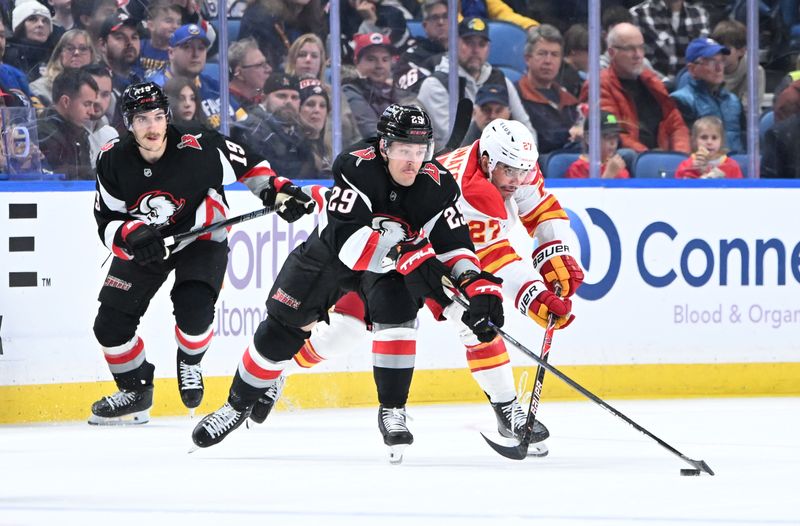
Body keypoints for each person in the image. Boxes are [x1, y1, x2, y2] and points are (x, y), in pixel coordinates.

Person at [244, 118, 581, 458]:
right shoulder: (467, 192)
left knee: (477, 326)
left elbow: (538, 207)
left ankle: (507, 411)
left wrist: (555, 253)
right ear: (489, 161)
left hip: (431, 251)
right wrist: (531, 294)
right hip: (405, 252)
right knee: (346, 330)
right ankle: (276, 370)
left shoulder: (515, 168)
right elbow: (487, 257)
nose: (518, 180)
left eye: (523, 171)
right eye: (510, 171)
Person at [191, 105, 509, 461]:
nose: (413, 161)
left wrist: (476, 287)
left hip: (391, 268)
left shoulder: (436, 184)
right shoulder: (355, 166)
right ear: (385, 147)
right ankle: (236, 406)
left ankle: (392, 409)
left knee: (398, 321)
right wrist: (411, 256)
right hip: (329, 257)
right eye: (404, 150)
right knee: (280, 331)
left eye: (420, 152)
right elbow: (350, 249)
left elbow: (456, 246)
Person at [88, 81, 314, 425]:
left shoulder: (199, 146)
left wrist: (278, 193)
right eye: (142, 119)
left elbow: (250, 166)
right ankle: (135, 390)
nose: (152, 126)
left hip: (201, 236)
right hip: (147, 244)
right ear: (129, 123)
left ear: (167, 117)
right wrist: (131, 234)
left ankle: (190, 362)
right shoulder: (112, 159)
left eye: (158, 116)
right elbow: (106, 219)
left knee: (195, 312)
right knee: (109, 325)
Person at [417, 17, 534, 150]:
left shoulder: (502, 81)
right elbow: (450, 144)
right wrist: (478, 123)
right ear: (454, 44)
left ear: (488, 48)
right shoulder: (435, 85)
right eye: (469, 43)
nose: (475, 50)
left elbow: (527, 130)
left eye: (481, 44)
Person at [581, 23, 689, 155]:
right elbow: (613, 135)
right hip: (629, 164)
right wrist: (650, 158)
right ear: (611, 53)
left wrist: (679, 157)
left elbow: (676, 125)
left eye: (641, 47)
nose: (638, 55)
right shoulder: (598, 85)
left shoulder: (652, 80)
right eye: (630, 49)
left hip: (663, 159)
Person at [147, 23, 246, 130]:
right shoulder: (155, 91)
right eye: (187, 47)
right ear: (171, 53)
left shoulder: (214, 86)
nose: (195, 54)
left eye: (201, 48)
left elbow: (244, 121)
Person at [231, 72, 317, 178]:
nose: (288, 102)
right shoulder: (249, 129)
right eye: (281, 96)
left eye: (294, 97)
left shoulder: (301, 133)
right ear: (263, 98)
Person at [517, 24, 582, 156]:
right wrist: (568, 134)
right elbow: (533, 138)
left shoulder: (568, 98)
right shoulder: (516, 95)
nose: (548, 61)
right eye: (542, 54)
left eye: (554, 55)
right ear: (527, 58)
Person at [670, 37, 744, 153]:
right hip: (703, 167)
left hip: (738, 167)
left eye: (722, 61)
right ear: (692, 69)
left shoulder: (733, 101)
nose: (719, 68)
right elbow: (686, 149)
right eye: (711, 62)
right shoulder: (680, 101)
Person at [343, 32, 417, 140]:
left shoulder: (396, 91)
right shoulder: (350, 90)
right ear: (356, 62)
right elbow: (372, 134)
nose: (380, 66)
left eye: (385, 59)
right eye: (371, 59)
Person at [36, 68, 97, 180]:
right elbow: (57, 179)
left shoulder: (79, 132)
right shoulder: (44, 135)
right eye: (87, 104)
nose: (92, 112)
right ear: (65, 102)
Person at [629, 0, 710, 80]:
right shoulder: (639, 13)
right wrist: (667, 84)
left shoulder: (701, 14)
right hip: (655, 86)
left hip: (694, 86)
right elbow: (640, 60)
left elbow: (704, 58)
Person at [30, 29, 98, 107]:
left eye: (83, 49)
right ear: (60, 54)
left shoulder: (101, 88)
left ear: (91, 55)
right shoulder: (40, 89)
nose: (76, 53)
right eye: (70, 48)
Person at [393, 0, 448, 94]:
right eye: (435, 18)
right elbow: (404, 91)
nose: (441, 22)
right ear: (425, 26)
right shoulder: (411, 56)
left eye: (446, 17)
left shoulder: (464, 52)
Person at [4, 0, 59, 81]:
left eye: (45, 21)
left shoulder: (57, 55)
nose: (41, 24)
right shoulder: (5, 55)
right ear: (20, 25)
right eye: (33, 19)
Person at [566, 111, 630, 179]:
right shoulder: (577, 169)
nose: (613, 143)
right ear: (589, 139)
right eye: (607, 137)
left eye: (615, 137)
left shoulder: (618, 167)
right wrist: (609, 175)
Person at [674, 116, 742, 179]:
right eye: (704, 137)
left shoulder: (732, 166)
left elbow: (741, 189)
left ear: (721, 141)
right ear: (694, 140)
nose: (709, 142)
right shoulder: (686, 165)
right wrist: (694, 171)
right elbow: (679, 188)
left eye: (714, 138)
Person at [82, 63, 119, 170]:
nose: (98, 100)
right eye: (93, 92)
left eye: (105, 94)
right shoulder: (65, 132)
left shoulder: (110, 135)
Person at [298, 76, 332, 178]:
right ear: (298, 109)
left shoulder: (332, 148)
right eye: (310, 104)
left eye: (322, 105)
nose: (317, 110)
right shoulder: (293, 149)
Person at [139, 0, 182, 76]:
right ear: (151, 25)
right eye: (169, 21)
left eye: (179, 23)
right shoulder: (139, 47)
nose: (175, 26)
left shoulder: (180, 52)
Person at [227, 37, 272, 111]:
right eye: (259, 65)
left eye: (266, 63)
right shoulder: (227, 105)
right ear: (239, 73)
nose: (269, 69)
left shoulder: (261, 98)